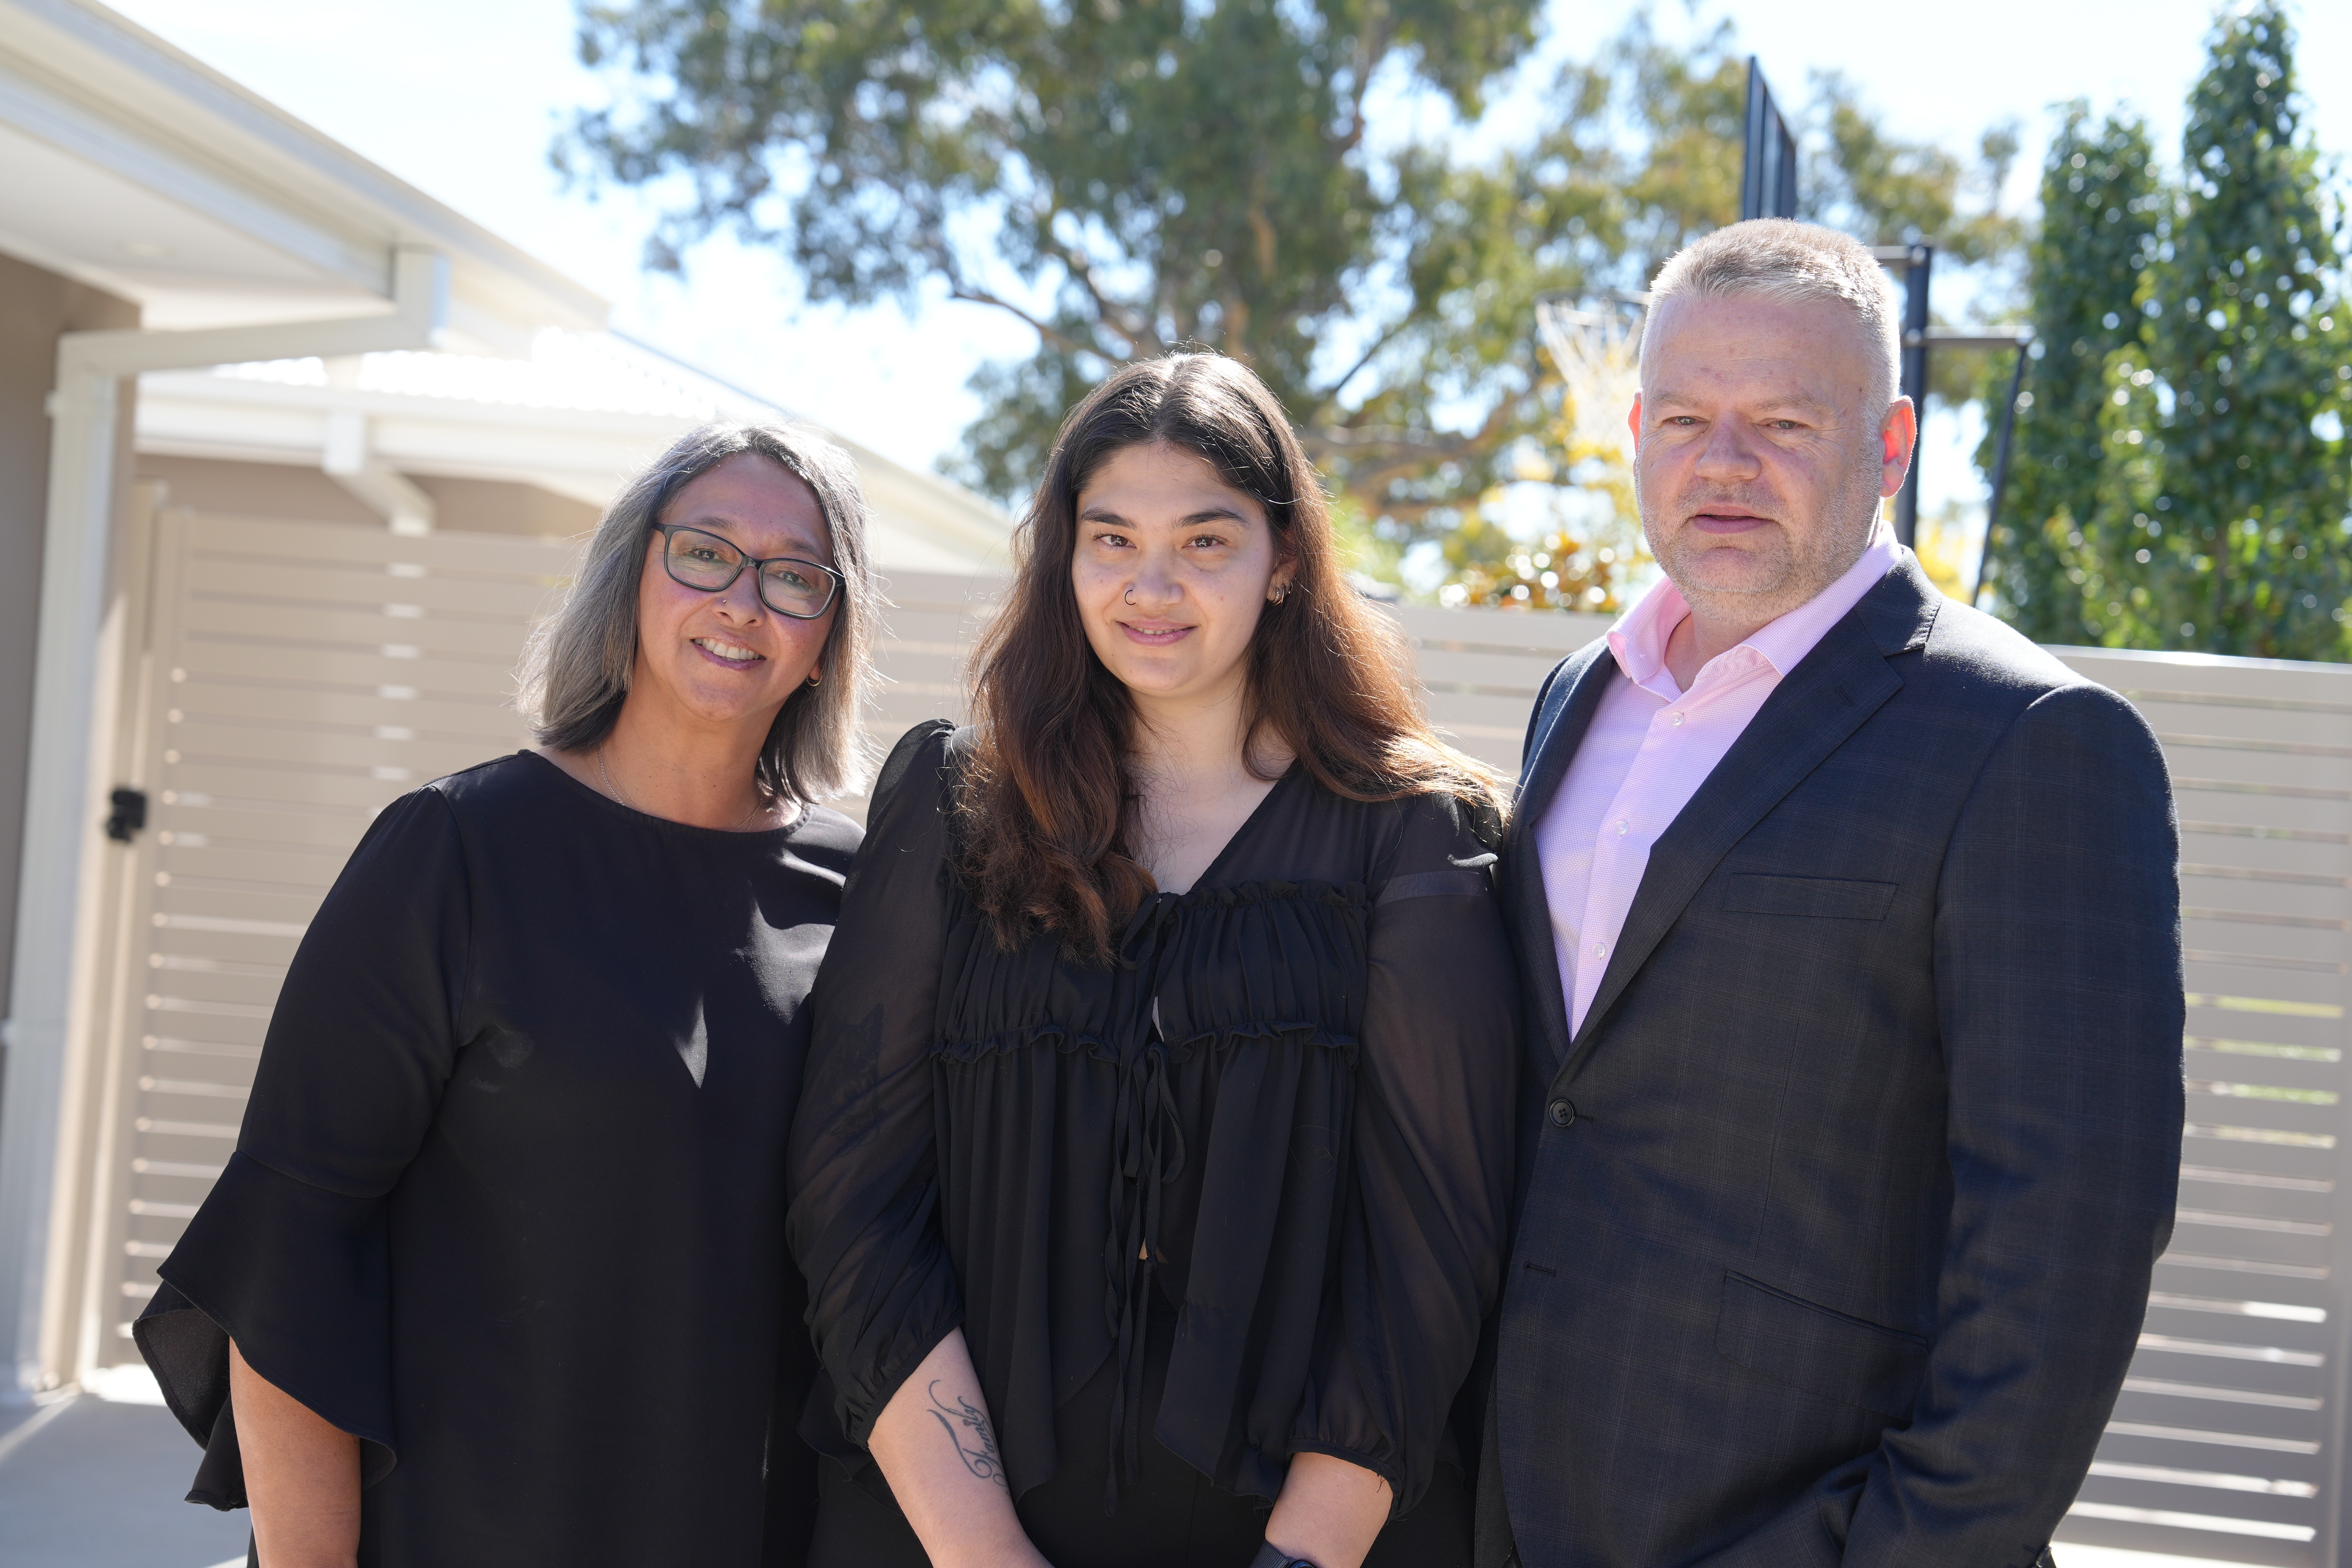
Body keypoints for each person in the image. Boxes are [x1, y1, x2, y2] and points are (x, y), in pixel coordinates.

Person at [1480, 218, 2184, 1568]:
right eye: (1686, 416)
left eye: (1786, 422)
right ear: (1634, 430)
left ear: (1893, 443)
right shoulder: (1580, 695)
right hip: (1519, 1511)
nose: (1725, 461)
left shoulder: (2035, 742)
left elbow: (2067, 1247)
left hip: (1802, 1532)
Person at [788, 352, 1518, 1568]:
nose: (1152, 585)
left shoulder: (1414, 834)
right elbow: (850, 1196)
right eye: (1112, 538)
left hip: (1305, 1541)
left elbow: (1432, 1245)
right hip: (942, 1528)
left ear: (1286, 561)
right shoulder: (956, 801)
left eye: (1207, 541)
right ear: (1064, 558)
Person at [134, 421, 881, 1568]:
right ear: (632, 573)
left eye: (795, 576)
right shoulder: (455, 854)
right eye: (705, 553)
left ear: (829, 636)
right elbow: (291, 1251)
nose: (744, 601)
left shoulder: (865, 896)